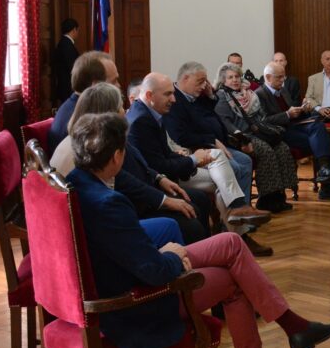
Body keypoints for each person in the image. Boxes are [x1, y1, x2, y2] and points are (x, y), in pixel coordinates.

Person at [65, 112, 330, 348]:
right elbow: (156, 272)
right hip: (140, 301)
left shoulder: (75, 183)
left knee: (231, 243)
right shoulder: (109, 204)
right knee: (234, 282)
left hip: (129, 271)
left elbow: (124, 250)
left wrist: (162, 253)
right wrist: (172, 256)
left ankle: (290, 333)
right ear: (116, 156)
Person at [127, 72, 274, 256]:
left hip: (171, 169)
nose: (173, 99)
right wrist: (193, 160)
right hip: (161, 181)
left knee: (220, 170)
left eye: (173, 93)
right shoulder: (141, 120)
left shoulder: (149, 112)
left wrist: (185, 157)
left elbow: (163, 154)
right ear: (150, 95)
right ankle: (238, 229)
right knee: (221, 178)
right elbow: (159, 167)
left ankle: (236, 232)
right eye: (168, 94)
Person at [52, 82, 212, 245]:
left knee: (198, 201)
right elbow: (122, 180)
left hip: (138, 193)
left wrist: (159, 178)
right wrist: (164, 200)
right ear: (107, 114)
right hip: (128, 206)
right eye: (120, 107)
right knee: (191, 223)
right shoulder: (98, 145)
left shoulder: (97, 138)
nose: (125, 110)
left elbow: (137, 163)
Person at [165, 61, 259, 218]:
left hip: (214, 143)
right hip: (197, 148)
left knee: (245, 161)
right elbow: (181, 136)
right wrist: (212, 140)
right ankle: (232, 216)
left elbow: (206, 115)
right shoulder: (175, 100)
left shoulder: (194, 95)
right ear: (186, 78)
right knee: (235, 167)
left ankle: (245, 209)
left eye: (205, 81)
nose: (204, 86)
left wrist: (210, 96)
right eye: (200, 81)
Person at [256, 61, 330, 201]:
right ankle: (327, 186)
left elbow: (293, 113)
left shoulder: (283, 90)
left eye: (284, 77)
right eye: (279, 77)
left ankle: (325, 173)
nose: (283, 80)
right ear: (268, 77)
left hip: (294, 127)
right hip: (279, 133)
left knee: (318, 126)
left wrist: (303, 109)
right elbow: (263, 121)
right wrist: (287, 114)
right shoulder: (259, 94)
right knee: (321, 140)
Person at [214, 62, 298, 213]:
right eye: (230, 77)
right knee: (266, 151)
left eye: (237, 76)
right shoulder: (222, 96)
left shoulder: (247, 93)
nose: (235, 80)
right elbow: (225, 122)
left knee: (282, 147)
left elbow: (260, 116)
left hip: (257, 130)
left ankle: (280, 195)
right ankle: (266, 199)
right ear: (223, 80)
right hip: (240, 136)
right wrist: (242, 138)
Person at [48, 50, 120, 155]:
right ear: (96, 86)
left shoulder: (75, 105)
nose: (118, 86)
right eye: (114, 81)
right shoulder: (84, 118)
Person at [51, 18, 80, 105]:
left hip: (64, 86)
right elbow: (72, 67)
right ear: (74, 30)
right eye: (78, 30)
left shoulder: (63, 43)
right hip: (68, 87)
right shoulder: (67, 45)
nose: (78, 33)